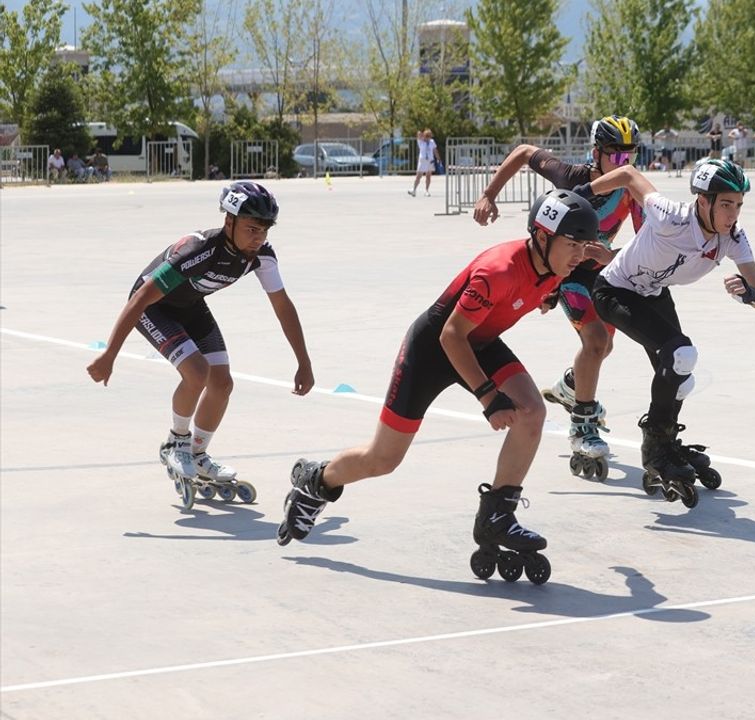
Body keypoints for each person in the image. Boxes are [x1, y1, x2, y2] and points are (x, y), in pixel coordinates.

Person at [276, 190, 596, 585]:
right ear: (543, 237)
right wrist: (488, 396)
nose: (580, 255)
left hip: (481, 342)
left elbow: (586, 265)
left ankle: (497, 515)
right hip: (435, 347)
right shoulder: (497, 271)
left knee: (533, 412)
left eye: (585, 245)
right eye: (573, 245)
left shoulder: (558, 263)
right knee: (383, 459)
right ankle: (317, 481)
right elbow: (451, 336)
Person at [85, 182, 314, 504]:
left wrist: (303, 361)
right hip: (152, 307)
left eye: (264, 231)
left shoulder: (261, 256)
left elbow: (282, 306)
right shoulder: (199, 251)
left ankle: (198, 453)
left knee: (222, 383)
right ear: (229, 222)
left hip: (191, 306)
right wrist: (110, 354)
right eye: (251, 229)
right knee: (197, 372)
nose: (258, 238)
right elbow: (139, 299)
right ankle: (175, 443)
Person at [572, 158, 755, 507]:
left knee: (682, 379)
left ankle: (665, 442)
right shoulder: (670, 215)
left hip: (653, 293)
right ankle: (655, 451)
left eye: (739, 205)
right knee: (681, 354)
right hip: (614, 290)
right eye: (726, 204)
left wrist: (749, 293)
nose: (733, 214)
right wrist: (583, 193)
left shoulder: (733, 238)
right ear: (703, 201)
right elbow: (629, 174)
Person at [472, 115, 645, 478]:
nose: (623, 165)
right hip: (566, 273)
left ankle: (571, 386)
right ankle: (583, 425)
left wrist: (611, 257)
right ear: (595, 154)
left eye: (630, 156)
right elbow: (522, 152)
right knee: (596, 342)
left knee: (601, 348)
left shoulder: (633, 188)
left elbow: (646, 248)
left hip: (600, 269)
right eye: (615, 157)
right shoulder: (571, 177)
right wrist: (489, 193)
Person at [409, 128, 441, 197]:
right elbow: (418, 133)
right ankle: (414, 189)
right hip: (422, 161)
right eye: (426, 136)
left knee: (428, 176)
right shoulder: (421, 141)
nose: (428, 137)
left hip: (430, 160)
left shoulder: (432, 142)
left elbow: (435, 150)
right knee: (418, 176)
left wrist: (438, 158)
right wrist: (423, 136)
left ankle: (426, 190)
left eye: (429, 136)